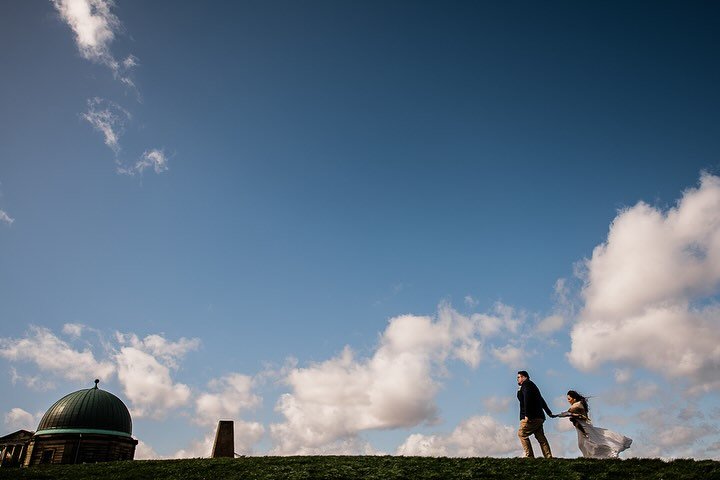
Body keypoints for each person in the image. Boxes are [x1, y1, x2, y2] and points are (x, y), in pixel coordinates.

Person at [552, 390, 632, 458]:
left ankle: (609, 453)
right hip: (580, 427)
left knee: (591, 442)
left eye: (569, 399)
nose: (568, 400)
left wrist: (557, 415)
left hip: (584, 427)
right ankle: (590, 457)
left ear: (574, 398)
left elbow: (568, 413)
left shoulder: (577, 404)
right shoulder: (577, 404)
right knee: (583, 444)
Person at [516, 370, 554, 458]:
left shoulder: (526, 384)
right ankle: (548, 456)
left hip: (531, 417)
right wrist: (549, 412)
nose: (517, 379)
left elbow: (527, 399)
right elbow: (541, 399)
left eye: (519, 377)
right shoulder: (531, 385)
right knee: (540, 437)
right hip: (539, 417)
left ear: (524, 377)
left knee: (522, 434)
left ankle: (529, 456)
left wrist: (527, 415)